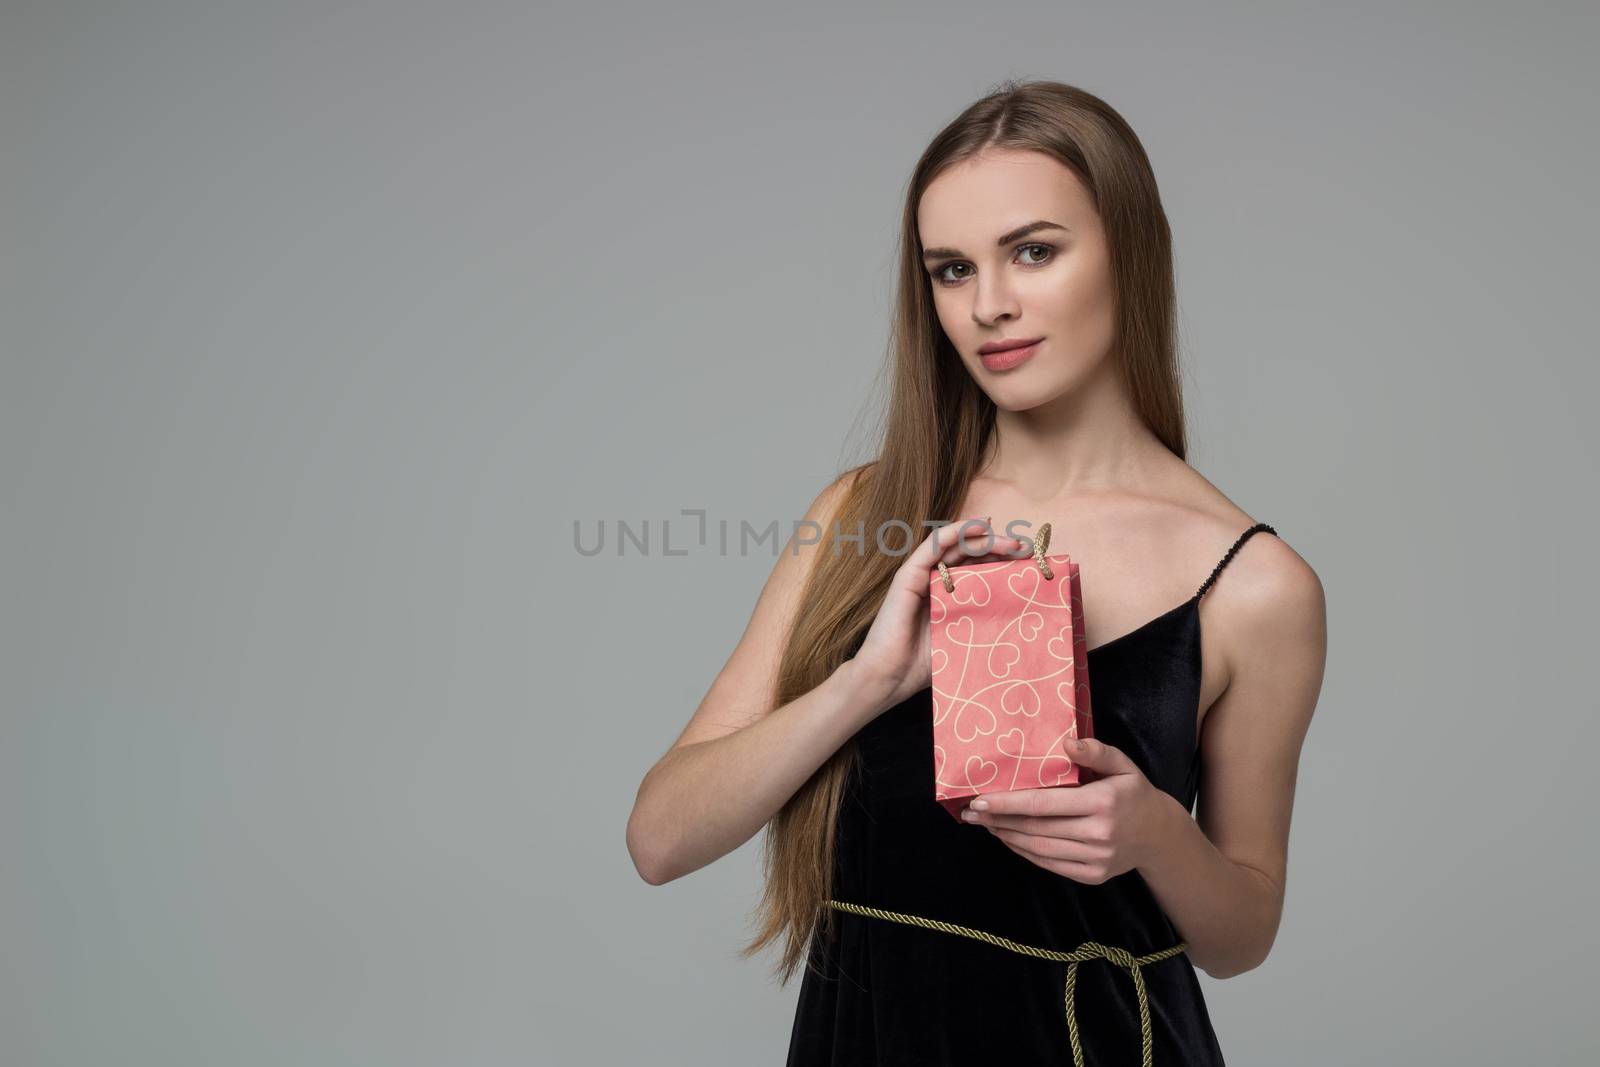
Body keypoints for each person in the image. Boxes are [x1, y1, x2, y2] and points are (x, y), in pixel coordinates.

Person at [625, 78, 1326, 1066]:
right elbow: (660, 838)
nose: (989, 305)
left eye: (1032, 251)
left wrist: (1157, 834)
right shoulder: (864, 513)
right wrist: (865, 681)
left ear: (1127, 247)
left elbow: (1241, 932)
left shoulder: (1253, 583)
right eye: (950, 269)